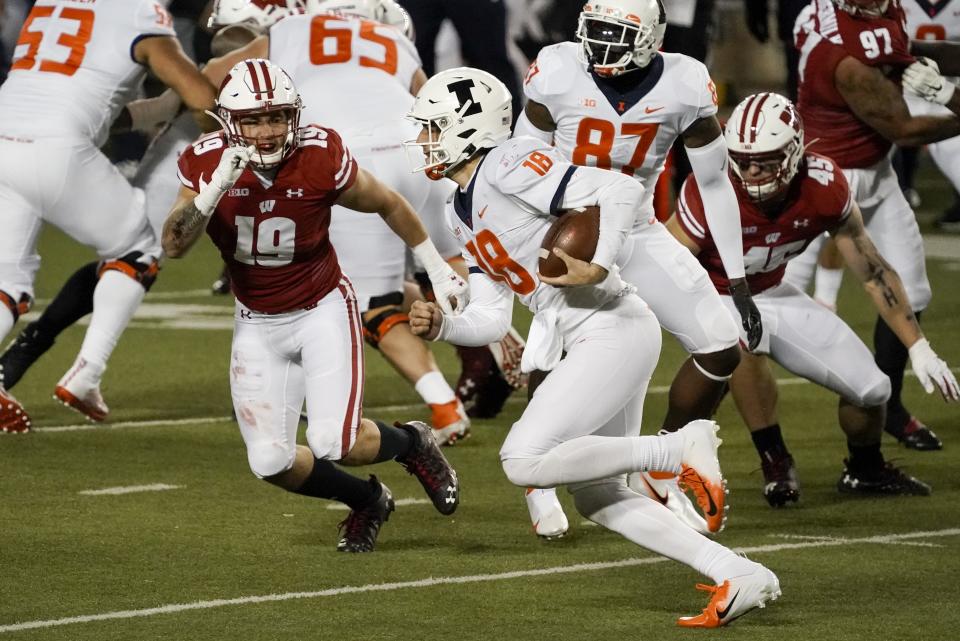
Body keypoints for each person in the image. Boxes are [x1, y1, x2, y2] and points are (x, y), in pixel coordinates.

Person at [407, 66, 779, 627]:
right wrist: (441, 327)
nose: (423, 140)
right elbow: (489, 319)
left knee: (522, 459)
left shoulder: (506, 164)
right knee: (597, 496)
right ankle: (739, 573)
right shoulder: (455, 206)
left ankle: (677, 450)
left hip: (611, 327)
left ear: (470, 126)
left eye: (433, 127)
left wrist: (600, 260)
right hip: (589, 337)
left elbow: (621, 189)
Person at [163, 58, 461, 552]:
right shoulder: (204, 161)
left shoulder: (319, 153)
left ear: (294, 116)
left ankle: (413, 442)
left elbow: (387, 201)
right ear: (229, 122)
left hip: (321, 307)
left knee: (334, 442)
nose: (266, 131)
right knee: (269, 462)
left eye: (277, 117)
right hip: (256, 321)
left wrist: (435, 264)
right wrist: (213, 190)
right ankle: (367, 501)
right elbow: (174, 245)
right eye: (253, 120)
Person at [512, 0, 757, 537]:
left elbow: (714, 182)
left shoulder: (686, 83)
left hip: (638, 228)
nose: (599, 45)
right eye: (594, 31)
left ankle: (662, 467)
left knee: (720, 345)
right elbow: (517, 163)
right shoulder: (557, 67)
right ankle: (540, 478)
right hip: (567, 225)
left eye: (614, 34)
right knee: (554, 345)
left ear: (651, 38)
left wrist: (736, 281)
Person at [669, 92, 958, 506]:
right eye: (741, 159)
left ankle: (864, 468)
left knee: (873, 390)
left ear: (793, 152)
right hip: (717, 295)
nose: (750, 171)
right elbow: (668, 264)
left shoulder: (822, 184)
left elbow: (874, 271)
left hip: (774, 292)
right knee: (736, 339)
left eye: (765, 160)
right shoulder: (712, 187)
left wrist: (919, 346)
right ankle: (774, 458)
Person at [0, 0, 219, 432]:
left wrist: (149, 112)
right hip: (54, 149)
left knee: (7, 279)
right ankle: (88, 372)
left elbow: (92, 100)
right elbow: (202, 97)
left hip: (5, 136)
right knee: (142, 244)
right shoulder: (140, 13)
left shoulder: (50, 3)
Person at [783, 0, 960, 453]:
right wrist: (950, 99)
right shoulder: (842, 49)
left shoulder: (879, 13)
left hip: (877, 173)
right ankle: (720, 433)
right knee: (758, 306)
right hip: (823, 177)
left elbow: (899, 52)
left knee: (914, 292)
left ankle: (892, 409)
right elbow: (904, 128)